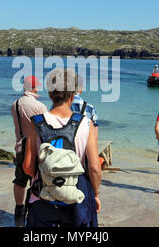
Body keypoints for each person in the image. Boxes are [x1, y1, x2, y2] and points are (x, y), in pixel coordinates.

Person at [23, 68, 102, 227]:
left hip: (42, 198)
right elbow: (94, 168)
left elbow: (28, 167)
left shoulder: (36, 123)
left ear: (50, 95)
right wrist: (96, 193)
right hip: (76, 198)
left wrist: (48, 176)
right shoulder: (86, 124)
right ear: (73, 95)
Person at [10, 75, 47, 227]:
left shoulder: (15, 104)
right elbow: (45, 130)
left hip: (20, 146)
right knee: (37, 181)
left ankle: (19, 212)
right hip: (36, 150)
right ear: (34, 87)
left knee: (19, 181)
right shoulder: (40, 107)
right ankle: (34, 211)